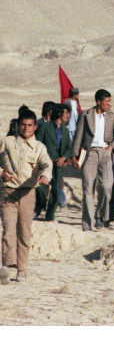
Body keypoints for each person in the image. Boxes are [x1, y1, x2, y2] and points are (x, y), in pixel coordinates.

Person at [0, 109, 52, 283]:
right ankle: (7, 267)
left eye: (30, 125)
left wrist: (45, 175)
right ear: (18, 125)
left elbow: (46, 163)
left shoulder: (39, 147)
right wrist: (1, 173)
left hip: (28, 194)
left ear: (35, 127)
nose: (26, 128)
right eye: (23, 124)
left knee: (24, 232)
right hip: (8, 193)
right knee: (8, 230)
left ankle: (21, 270)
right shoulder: (6, 142)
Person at [72, 89, 114, 231]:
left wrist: (112, 147)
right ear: (98, 102)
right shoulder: (86, 114)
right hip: (90, 154)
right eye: (107, 101)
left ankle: (101, 216)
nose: (109, 104)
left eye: (110, 101)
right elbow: (78, 135)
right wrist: (74, 155)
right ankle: (88, 223)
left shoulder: (112, 117)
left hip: (106, 154)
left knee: (107, 187)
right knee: (88, 188)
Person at [35, 103, 72, 221]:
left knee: (56, 190)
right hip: (45, 162)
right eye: (66, 113)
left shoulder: (65, 130)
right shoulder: (45, 127)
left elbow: (68, 148)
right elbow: (38, 143)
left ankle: (50, 216)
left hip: (58, 163)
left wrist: (64, 158)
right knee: (40, 188)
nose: (68, 115)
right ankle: (40, 207)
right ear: (59, 113)